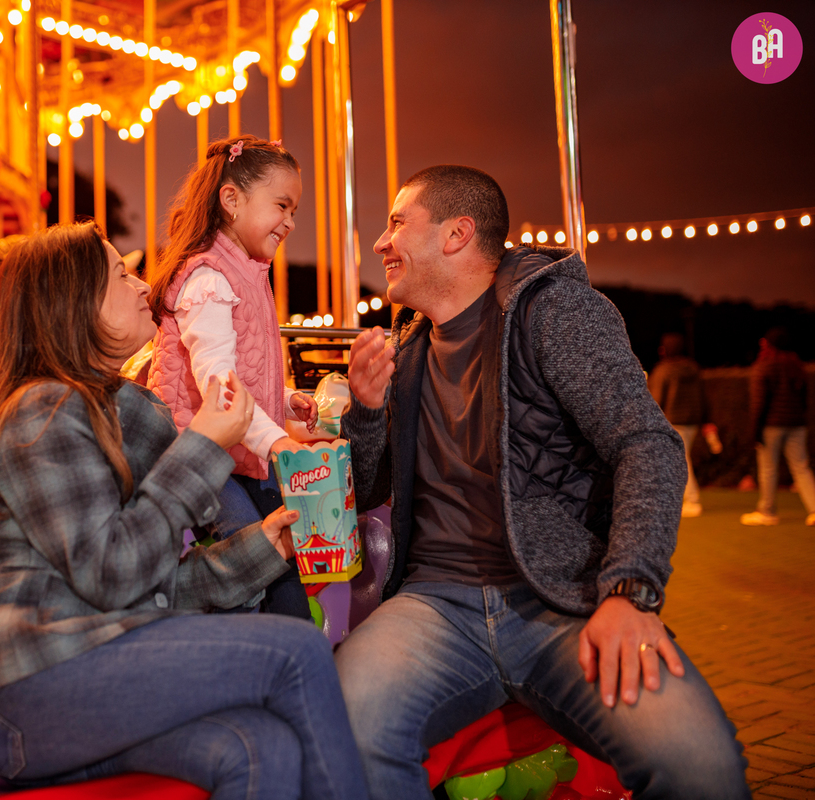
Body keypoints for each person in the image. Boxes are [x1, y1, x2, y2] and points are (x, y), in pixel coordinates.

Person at [335, 165, 750, 799]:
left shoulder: (553, 310)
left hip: (561, 600)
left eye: (396, 223)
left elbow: (648, 444)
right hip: (434, 606)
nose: (380, 242)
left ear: (456, 234)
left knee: (699, 764)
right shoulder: (411, 347)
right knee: (344, 731)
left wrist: (629, 592)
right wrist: (365, 411)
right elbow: (367, 495)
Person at [0, 222, 368, 800]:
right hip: (28, 683)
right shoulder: (41, 410)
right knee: (297, 651)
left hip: (77, 670)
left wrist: (268, 543)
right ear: (74, 301)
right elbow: (113, 575)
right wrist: (204, 447)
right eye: (121, 274)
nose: (143, 286)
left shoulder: (109, 412)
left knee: (258, 747)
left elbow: (152, 591)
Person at [148, 135, 317, 619]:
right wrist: (278, 442)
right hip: (197, 448)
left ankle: (292, 640)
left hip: (236, 448)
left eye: (294, 210)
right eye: (281, 205)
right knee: (250, 547)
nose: (289, 221)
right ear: (231, 199)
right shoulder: (208, 279)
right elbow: (220, 387)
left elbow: (241, 369)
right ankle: (244, 646)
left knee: (283, 548)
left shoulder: (246, 270)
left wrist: (282, 400)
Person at [741, 326, 815, 526]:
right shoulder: (797, 366)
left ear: (768, 344)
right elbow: (804, 399)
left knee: (768, 468)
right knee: (801, 466)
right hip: (796, 424)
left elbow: (758, 403)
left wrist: (754, 432)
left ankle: (767, 511)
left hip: (771, 425)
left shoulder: (764, 366)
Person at [647, 332, 716, 517]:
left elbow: (656, 399)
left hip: (671, 421)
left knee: (679, 461)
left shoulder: (663, 370)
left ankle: (692, 500)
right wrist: (707, 420)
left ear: (665, 350)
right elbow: (704, 396)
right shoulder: (693, 368)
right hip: (692, 421)